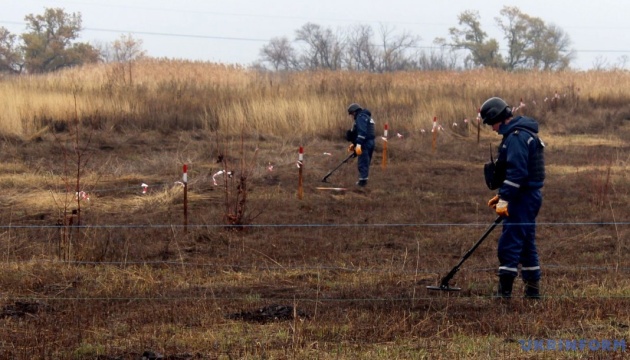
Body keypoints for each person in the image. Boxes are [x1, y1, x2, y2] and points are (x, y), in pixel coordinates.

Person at [480, 97, 545, 299]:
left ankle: (504, 293)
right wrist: (502, 195)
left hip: (522, 198)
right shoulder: (521, 134)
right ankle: (533, 293)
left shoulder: (516, 137)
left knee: (510, 242)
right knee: (526, 242)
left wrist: (505, 199)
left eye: (491, 123)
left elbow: (517, 173)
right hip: (527, 196)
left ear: (498, 117)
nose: (492, 128)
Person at [346, 103, 375, 187]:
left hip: (365, 143)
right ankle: (363, 179)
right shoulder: (367, 117)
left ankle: (362, 182)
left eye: (351, 114)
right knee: (366, 162)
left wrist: (358, 144)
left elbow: (362, 132)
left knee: (363, 162)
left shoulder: (360, 118)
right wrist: (354, 144)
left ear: (354, 112)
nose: (351, 116)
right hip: (370, 142)